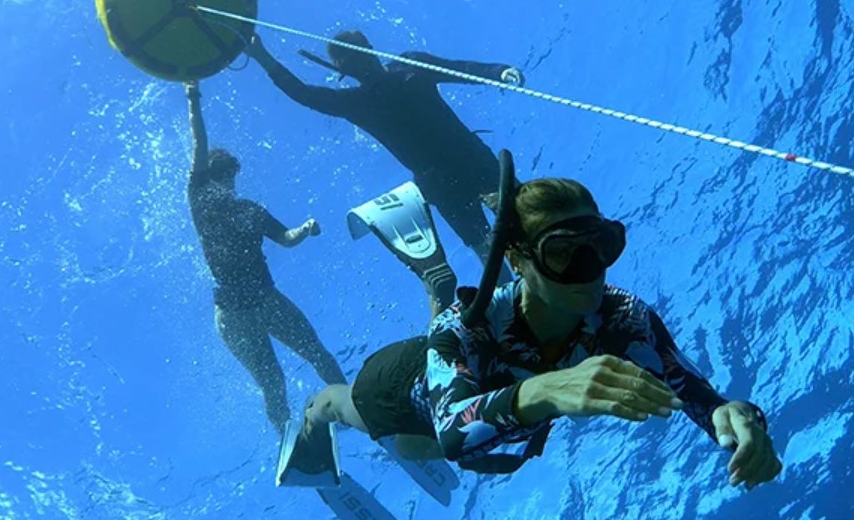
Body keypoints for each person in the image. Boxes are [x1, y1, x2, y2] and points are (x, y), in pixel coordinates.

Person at [294, 170, 782, 489]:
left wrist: (735, 416)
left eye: (603, 246)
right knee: (376, 421)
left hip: (474, 384)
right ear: (517, 260)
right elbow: (453, 434)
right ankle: (313, 418)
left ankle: (436, 280)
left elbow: (697, 392)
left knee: (446, 436)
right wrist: (547, 389)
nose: (591, 270)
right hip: (399, 388)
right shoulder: (462, 330)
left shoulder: (622, 317)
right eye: (564, 253)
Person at [247, 30, 524, 279]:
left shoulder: (410, 66)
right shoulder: (357, 102)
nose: (360, 62)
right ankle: (515, 311)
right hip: (442, 180)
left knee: (522, 220)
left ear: (368, 46)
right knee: (485, 248)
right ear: (344, 70)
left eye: (357, 53)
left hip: (469, 160)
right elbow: (304, 94)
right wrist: (261, 56)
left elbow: (459, 69)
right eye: (350, 60)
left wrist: (499, 71)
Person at [184, 81, 346, 434]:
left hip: (267, 299)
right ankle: (291, 446)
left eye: (231, 178)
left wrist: (304, 229)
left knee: (318, 353)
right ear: (210, 178)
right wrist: (193, 97)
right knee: (274, 383)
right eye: (222, 177)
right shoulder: (200, 200)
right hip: (232, 314)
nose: (227, 184)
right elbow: (200, 143)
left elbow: (286, 239)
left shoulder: (252, 211)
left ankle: (352, 407)